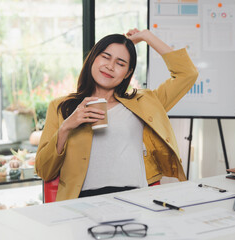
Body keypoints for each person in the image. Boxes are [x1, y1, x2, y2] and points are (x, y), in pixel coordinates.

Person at [35, 28, 198, 201]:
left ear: (128, 73)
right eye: (105, 57)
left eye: (120, 63)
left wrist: (146, 36)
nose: (110, 66)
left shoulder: (144, 103)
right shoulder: (61, 107)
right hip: (84, 201)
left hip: (135, 198)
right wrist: (67, 126)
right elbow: (44, 170)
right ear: (93, 58)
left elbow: (187, 74)